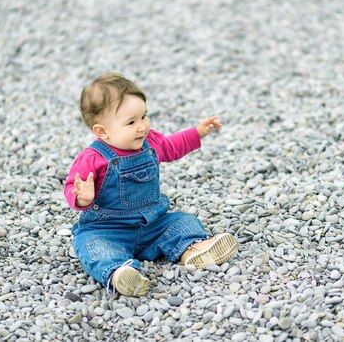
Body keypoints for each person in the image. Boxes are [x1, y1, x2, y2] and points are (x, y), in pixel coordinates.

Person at [63, 72, 238, 297]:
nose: (142, 127)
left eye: (144, 116)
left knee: (183, 222)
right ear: (102, 131)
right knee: (92, 246)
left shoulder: (151, 142)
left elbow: (172, 145)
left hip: (153, 225)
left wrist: (197, 133)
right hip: (108, 230)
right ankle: (119, 272)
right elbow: (70, 187)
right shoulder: (92, 158)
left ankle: (193, 249)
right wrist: (82, 198)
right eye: (131, 122)